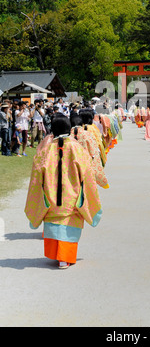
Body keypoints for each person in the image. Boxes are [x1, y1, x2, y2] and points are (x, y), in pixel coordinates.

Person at [24, 114, 102, 269]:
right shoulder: (78, 148)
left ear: (52, 130)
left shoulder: (45, 150)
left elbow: (36, 177)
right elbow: (87, 174)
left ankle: (57, 256)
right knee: (69, 222)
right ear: (69, 129)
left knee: (54, 222)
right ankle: (64, 258)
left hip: (50, 196)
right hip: (72, 197)